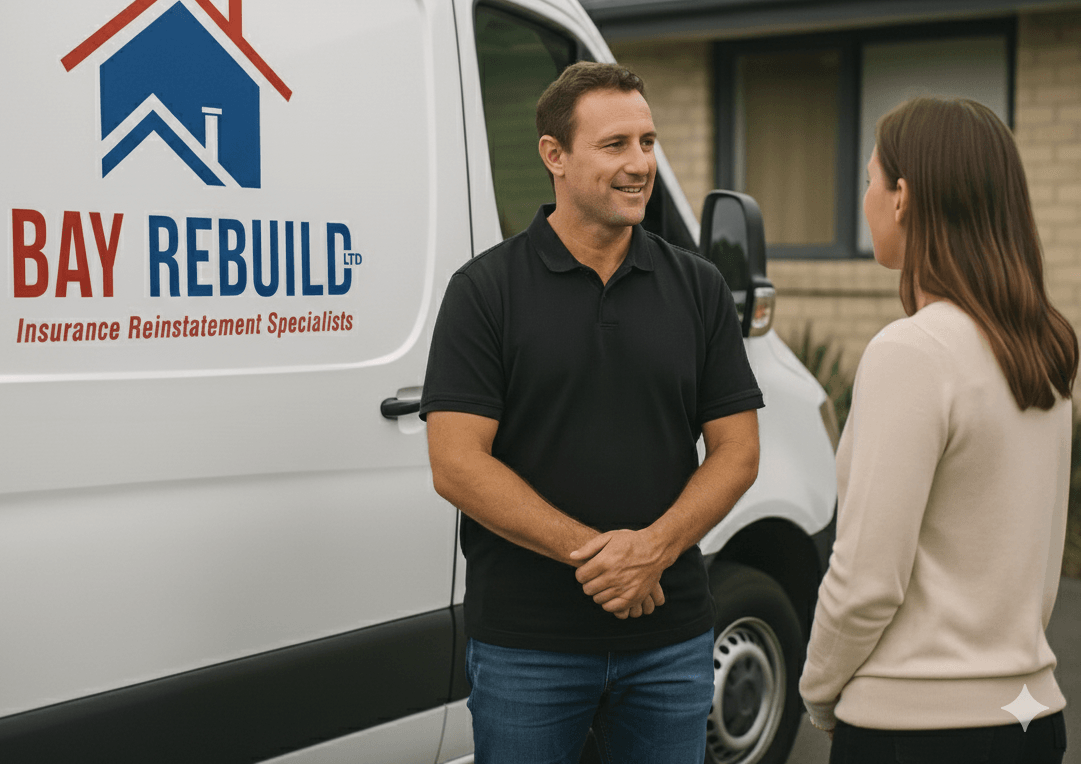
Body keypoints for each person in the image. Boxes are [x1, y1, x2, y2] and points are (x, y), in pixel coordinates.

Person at [420, 61, 764, 763]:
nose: (640, 163)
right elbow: (455, 464)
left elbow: (738, 451)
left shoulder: (696, 287)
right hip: (528, 647)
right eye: (616, 145)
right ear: (555, 156)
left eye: (647, 141)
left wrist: (654, 550)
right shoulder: (486, 291)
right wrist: (603, 558)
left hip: (669, 641)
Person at [799, 97, 1077, 764]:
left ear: (903, 197)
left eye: (870, 179)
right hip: (1032, 718)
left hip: (917, 730)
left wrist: (819, 690)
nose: (864, 198)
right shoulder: (1044, 349)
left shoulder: (912, 352)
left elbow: (867, 578)